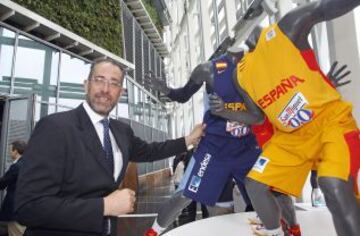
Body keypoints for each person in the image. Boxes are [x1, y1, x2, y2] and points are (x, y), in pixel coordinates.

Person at [14, 58, 205, 236]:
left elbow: (151, 150)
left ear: (120, 92)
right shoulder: (55, 127)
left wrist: (188, 139)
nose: (106, 89)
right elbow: (28, 207)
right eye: (99, 80)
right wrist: (104, 206)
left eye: (114, 83)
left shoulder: (120, 131)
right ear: (86, 85)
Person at [225, 1, 360, 235]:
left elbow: (322, 9)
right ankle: (279, 232)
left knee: (332, 185)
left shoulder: (285, 29)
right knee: (255, 185)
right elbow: (257, 116)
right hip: (290, 137)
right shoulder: (241, 75)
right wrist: (225, 113)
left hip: (328, 122)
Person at [143, 45, 265, 236]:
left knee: (266, 194)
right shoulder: (208, 70)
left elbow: (262, 114)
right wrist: (165, 89)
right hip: (214, 149)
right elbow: (183, 96)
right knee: (184, 194)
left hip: (246, 148)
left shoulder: (257, 67)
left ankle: (284, 228)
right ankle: (153, 232)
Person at [0, 140, 27, 236]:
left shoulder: (17, 167)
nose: (9, 152)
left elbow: (2, 183)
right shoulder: (28, 164)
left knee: (15, 233)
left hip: (14, 208)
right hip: (24, 207)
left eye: (10, 150)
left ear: (15, 151)